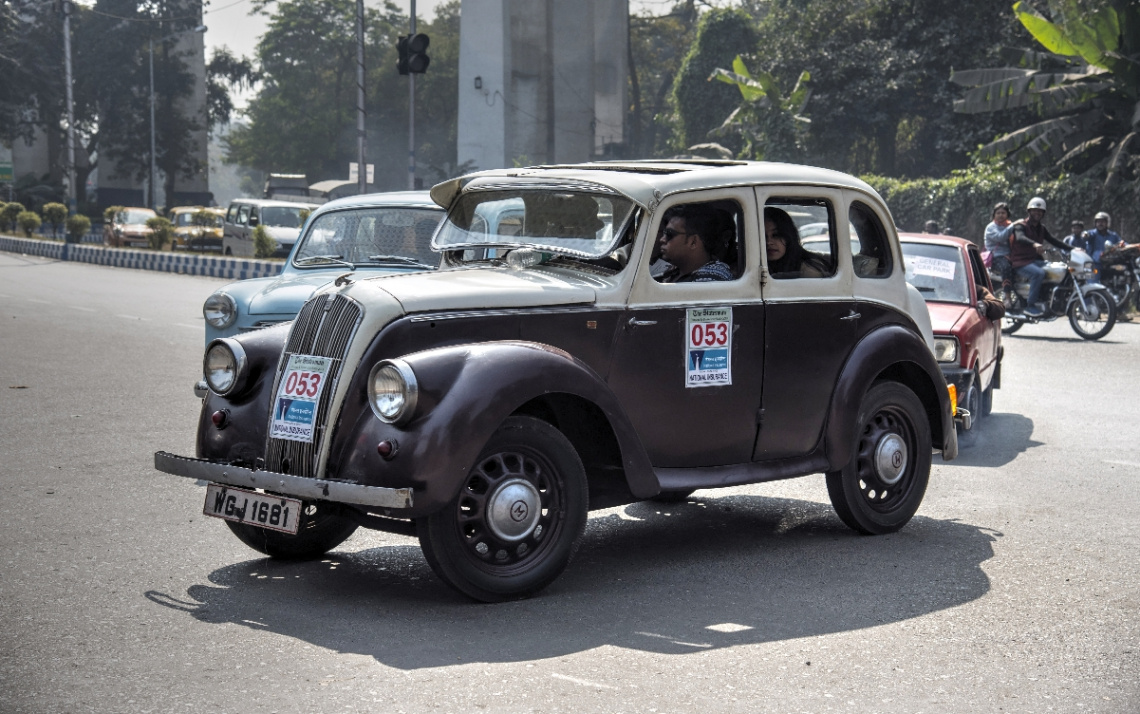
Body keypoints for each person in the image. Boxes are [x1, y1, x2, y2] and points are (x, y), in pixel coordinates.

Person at [1009, 196, 1070, 316]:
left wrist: (1074, 249)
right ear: (1029, 211)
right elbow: (1020, 237)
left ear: (1043, 213)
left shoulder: (1041, 228)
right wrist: (1034, 244)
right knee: (1038, 273)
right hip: (1020, 262)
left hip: (1033, 260)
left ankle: (1045, 298)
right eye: (1034, 210)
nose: (1037, 213)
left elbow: (1054, 241)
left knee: (1056, 268)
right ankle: (1030, 305)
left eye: (1040, 211)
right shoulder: (1020, 225)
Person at [657, 204, 734, 283]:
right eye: (663, 233)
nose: (662, 239)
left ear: (693, 242)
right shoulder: (673, 271)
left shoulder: (711, 280)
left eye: (669, 234)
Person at [764, 207, 828, 278]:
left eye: (776, 235)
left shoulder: (808, 269)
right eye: (763, 236)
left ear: (789, 236)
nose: (768, 242)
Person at [984, 202, 1015, 294]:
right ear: (994, 215)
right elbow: (1000, 237)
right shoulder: (991, 227)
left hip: (1009, 255)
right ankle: (1008, 295)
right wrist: (1013, 226)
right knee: (1006, 267)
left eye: (1003, 213)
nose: (1001, 215)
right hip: (995, 257)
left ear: (1007, 214)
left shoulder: (1008, 225)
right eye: (998, 213)